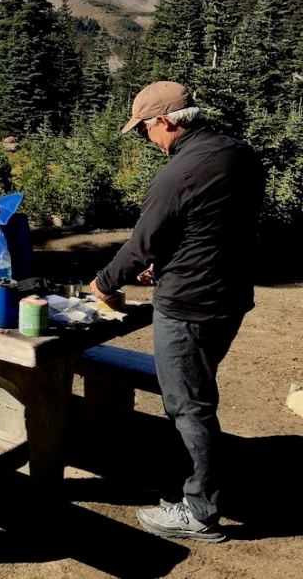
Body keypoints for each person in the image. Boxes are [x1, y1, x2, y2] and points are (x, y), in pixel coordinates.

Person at [88, 80, 264, 543]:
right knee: (198, 396)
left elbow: (139, 244)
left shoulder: (178, 173)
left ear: (163, 121)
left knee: (187, 406)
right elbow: (213, 227)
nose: (147, 140)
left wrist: (101, 286)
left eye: (145, 129)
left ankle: (200, 512)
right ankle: (197, 489)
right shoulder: (238, 153)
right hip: (228, 297)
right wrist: (165, 264)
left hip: (188, 305)